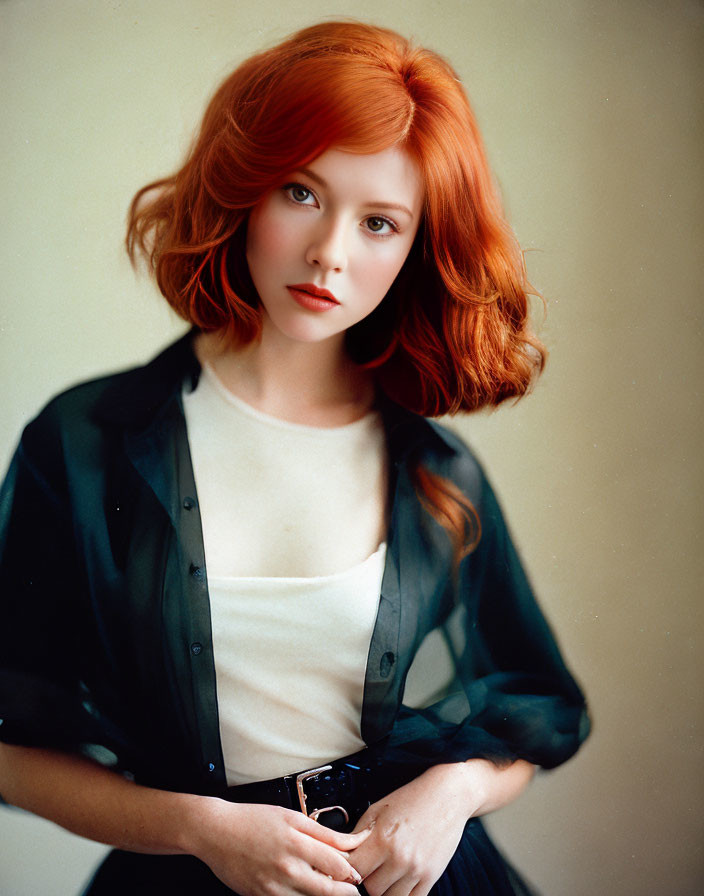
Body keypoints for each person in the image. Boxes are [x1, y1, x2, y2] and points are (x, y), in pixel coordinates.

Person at [0, 20, 590, 896]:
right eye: (302, 193)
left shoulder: (438, 474)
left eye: (381, 222)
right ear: (244, 188)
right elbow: (11, 747)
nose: (330, 254)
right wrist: (200, 828)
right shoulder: (86, 441)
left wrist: (453, 794)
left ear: (416, 253)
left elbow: (533, 715)